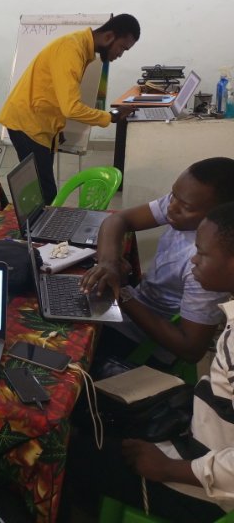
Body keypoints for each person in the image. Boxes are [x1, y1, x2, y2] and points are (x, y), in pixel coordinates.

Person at [66, 202, 234, 520]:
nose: (194, 259)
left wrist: (170, 467)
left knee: (66, 452)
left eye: (202, 253)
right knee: (87, 411)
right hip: (203, 433)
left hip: (205, 490)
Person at [81, 157, 234, 364]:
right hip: (138, 303)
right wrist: (108, 263)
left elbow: (190, 349)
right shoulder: (181, 206)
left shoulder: (208, 268)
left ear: (219, 212)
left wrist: (124, 295)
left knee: (67, 337)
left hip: (147, 341)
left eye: (185, 206)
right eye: (173, 196)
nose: (171, 207)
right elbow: (118, 219)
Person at [0, 14, 140, 204]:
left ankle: (35, 228)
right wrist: (111, 117)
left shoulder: (80, 47)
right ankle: (36, 231)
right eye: (122, 47)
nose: (120, 54)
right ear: (108, 37)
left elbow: (55, 95)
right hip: (27, 122)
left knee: (41, 188)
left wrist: (57, 130)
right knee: (45, 193)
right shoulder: (72, 49)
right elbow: (71, 108)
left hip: (40, 123)